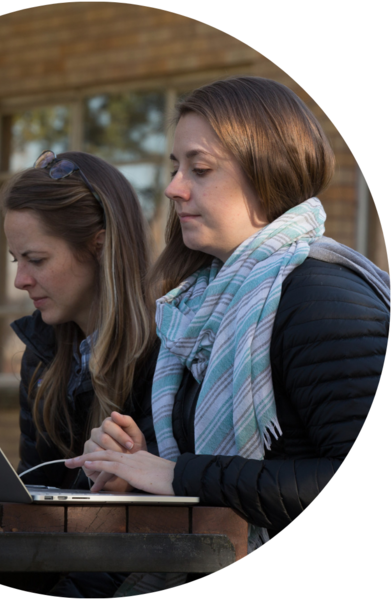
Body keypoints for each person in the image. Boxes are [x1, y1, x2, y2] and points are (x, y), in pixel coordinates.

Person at [65, 77, 390, 553]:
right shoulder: (199, 306)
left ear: (269, 173)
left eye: (200, 168)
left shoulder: (323, 300)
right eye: (176, 167)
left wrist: (177, 475)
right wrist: (137, 466)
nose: (174, 188)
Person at [1, 150, 158, 596]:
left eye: (36, 259)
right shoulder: (43, 355)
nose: (21, 280)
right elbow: (33, 496)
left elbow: (156, 536)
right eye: (16, 260)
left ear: (100, 245)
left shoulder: (167, 355)